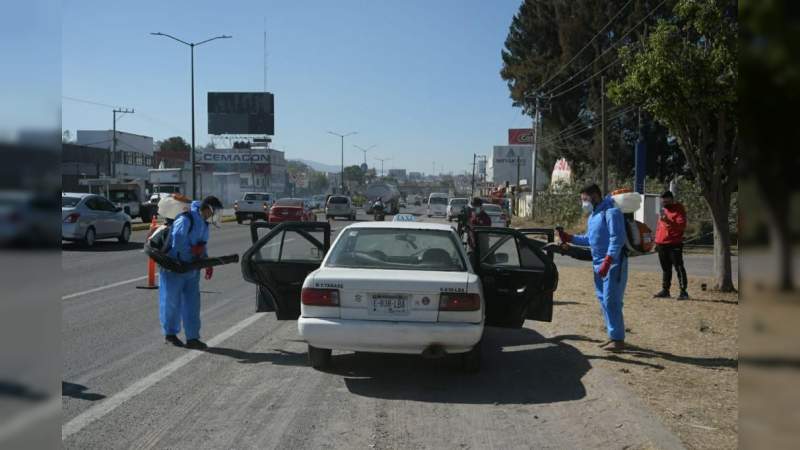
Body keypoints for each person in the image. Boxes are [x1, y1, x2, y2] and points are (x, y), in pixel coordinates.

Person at [558, 184, 628, 351]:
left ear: (595, 196)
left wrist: (608, 260)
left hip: (613, 264)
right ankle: (613, 336)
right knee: (603, 300)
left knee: (612, 301)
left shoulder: (611, 212)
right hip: (598, 264)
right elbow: (590, 239)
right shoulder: (593, 216)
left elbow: (617, 239)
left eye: (585, 199)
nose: (584, 203)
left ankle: (618, 339)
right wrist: (569, 238)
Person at [160, 195, 223, 350]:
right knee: (172, 302)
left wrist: (206, 261)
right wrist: (190, 254)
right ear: (207, 208)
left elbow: (202, 244)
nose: (214, 216)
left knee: (192, 305)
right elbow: (178, 240)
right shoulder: (186, 219)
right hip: (175, 267)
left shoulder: (204, 224)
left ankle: (192, 338)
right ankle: (170, 334)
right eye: (214, 212)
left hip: (191, 269)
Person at [653, 191, 689, 300]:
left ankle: (683, 292)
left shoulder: (679, 209)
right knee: (666, 269)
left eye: (667, 201)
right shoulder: (662, 210)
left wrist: (668, 221)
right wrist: (656, 240)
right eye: (663, 202)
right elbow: (660, 226)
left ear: (672, 199)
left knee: (679, 267)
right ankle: (665, 290)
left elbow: (681, 226)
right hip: (661, 243)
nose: (664, 204)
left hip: (674, 244)